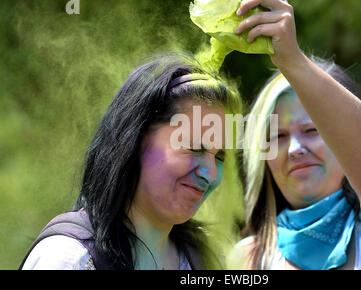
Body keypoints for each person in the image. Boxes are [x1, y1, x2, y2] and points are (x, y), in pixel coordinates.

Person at [228, 0, 361, 270]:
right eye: (277, 137)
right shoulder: (248, 258)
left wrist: (293, 61)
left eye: (311, 130)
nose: (295, 148)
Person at [20, 53, 242, 270]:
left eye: (220, 156)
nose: (211, 174)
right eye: (194, 147)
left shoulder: (208, 258)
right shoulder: (68, 259)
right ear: (133, 139)